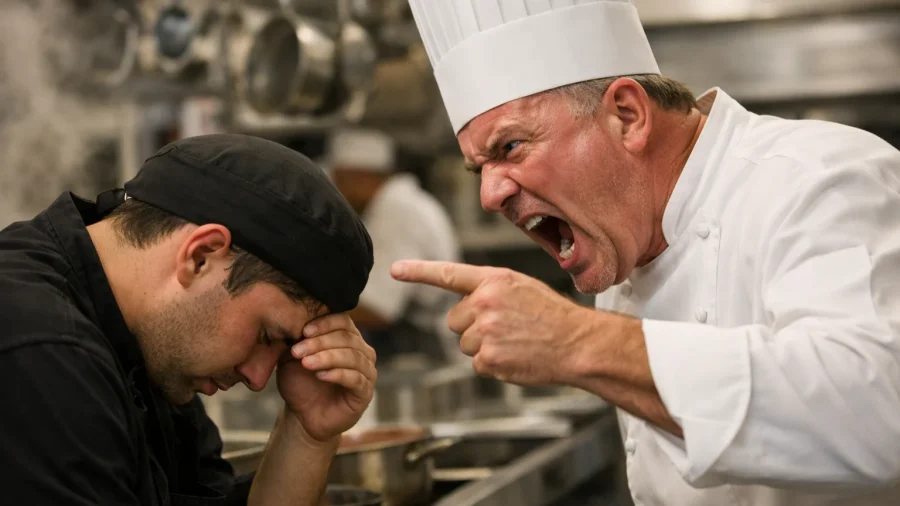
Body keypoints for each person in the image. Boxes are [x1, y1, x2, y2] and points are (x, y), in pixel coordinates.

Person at [391, 1, 900, 505]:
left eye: (509, 147)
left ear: (628, 116)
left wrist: (575, 341)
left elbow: (875, 414)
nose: (489, 195)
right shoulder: (622, 247)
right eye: (477, 169)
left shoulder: (820, 178)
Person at [0, 133, 377, 505]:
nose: (260, 379)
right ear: (201, 256)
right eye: (266, 335)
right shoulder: (41, 352)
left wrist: (307, 434)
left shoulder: (154, 351)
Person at [325, 127, 463, 364]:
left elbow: (379, 310)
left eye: (338, 180)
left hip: (422, 354)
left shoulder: (396, 213)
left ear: (358, 177)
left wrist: (307, 312)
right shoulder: (400, 203)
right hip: (417, 347)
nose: (336, 192)